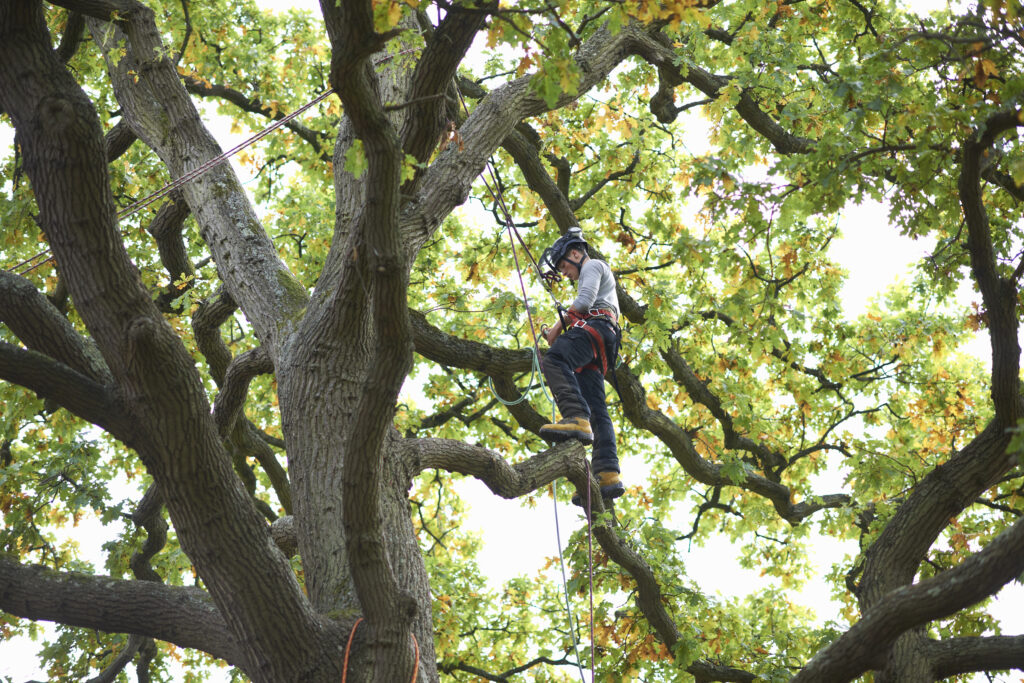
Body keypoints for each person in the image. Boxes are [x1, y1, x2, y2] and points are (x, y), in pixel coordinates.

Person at [537, 227, 624, 504]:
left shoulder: (593, 266)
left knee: (554, 359)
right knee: (597, 409)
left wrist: (553, 332)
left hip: (596, 329)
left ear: (576, 253)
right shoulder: (594, 274)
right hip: (601, 344)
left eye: (564, 265)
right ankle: (608, 472)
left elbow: (585, 301)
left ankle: (575, 416)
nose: (564, 272)